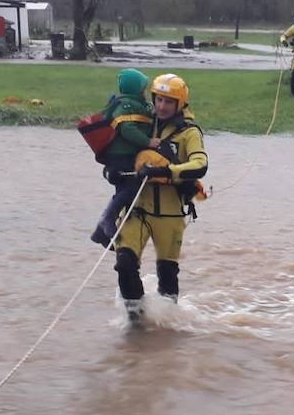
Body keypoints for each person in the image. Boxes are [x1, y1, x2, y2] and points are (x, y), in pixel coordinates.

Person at [114, 73, 208, 321]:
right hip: (136, 210)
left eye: (169, 102)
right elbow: (118, 151)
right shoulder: (142, 124)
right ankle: (136, 322)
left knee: (167, 275)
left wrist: (166, 171)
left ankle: (167, 322)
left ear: (180, 104)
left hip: (170, 214)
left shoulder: (189, 133)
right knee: (124, 264)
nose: (162, 107)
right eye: (158, 100)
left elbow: (200, 164)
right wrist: (112, 170)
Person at [89, 69, 156, 245]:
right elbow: (127, 129)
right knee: (129, 190)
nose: (145, 92)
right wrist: (148, 142)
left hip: (129, 156)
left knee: (125, 192)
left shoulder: (139, 104)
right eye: (143, 88)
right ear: (137, 89)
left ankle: (101, 233)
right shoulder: (124, 106)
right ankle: (107, 221)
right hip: (120, 156)